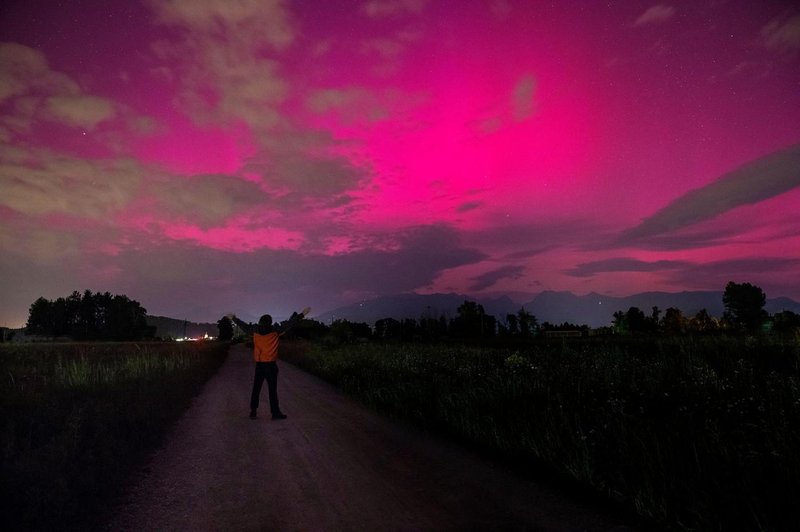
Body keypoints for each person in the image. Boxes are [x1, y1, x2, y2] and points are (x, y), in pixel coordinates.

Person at [228, 308, 310, 420]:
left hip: (260, 364)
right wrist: (301, 315)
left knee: (256, 388)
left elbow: (243, 325)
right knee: (272, 390)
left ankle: (253, 411)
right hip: (271, 365)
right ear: (270, 322)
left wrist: (234, 318)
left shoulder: (254, 330)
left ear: (260, 321)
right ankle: (275, 413)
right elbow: (290, 323)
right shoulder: (276, 330)